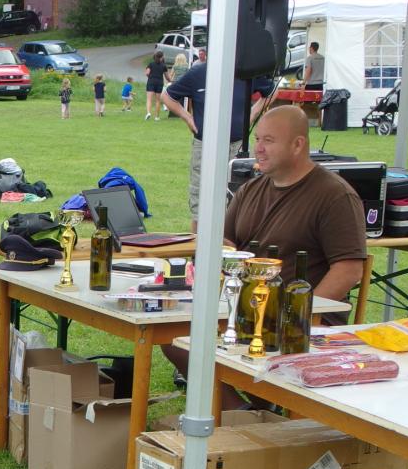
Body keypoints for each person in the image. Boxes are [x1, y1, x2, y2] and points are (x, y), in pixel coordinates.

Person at [162, 106, 367, 408]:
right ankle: (242, 412)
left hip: (300, 319)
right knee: (174, 336)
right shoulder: (250, 189)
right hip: (241, 310)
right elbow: (225, 245)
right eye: (257, 139)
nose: (258, 148)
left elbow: (349, 270)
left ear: (297, 145)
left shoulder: (334, 196)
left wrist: (298, 318)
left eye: (268, 140)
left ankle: (255, 410)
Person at [161, 56, 274, 231]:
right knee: (200, 206)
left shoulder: (245, 73)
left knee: (238, 201)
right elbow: (167, 96)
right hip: (205, 146)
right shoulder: (198, 73)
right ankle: (198, 247)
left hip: (237, 146)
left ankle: (230, 245)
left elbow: (272, 92)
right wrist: (188, 117)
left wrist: (252, 114)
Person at [144, 51, 169, 120]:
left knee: (149, 99)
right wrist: (171, 81)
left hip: (151, 82)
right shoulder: (163, 66)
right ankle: (157, 117)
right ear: (162, 57)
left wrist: (150, 77)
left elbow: (147, 73)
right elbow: (167, 77)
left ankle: (148, 113)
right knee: (158, 100)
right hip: (159, 83)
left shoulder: (151, 64)